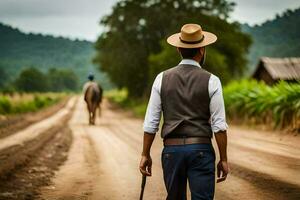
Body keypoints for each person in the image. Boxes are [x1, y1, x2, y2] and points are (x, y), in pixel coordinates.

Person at [139, 24, 229, 200]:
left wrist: (145, 154)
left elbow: (151, 123)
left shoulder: (161, 78)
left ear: (179, 48)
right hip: (201, 150)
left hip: (172, 152)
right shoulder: (212, 80)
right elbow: (219, 127)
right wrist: (223, 159)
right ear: (202, 49)